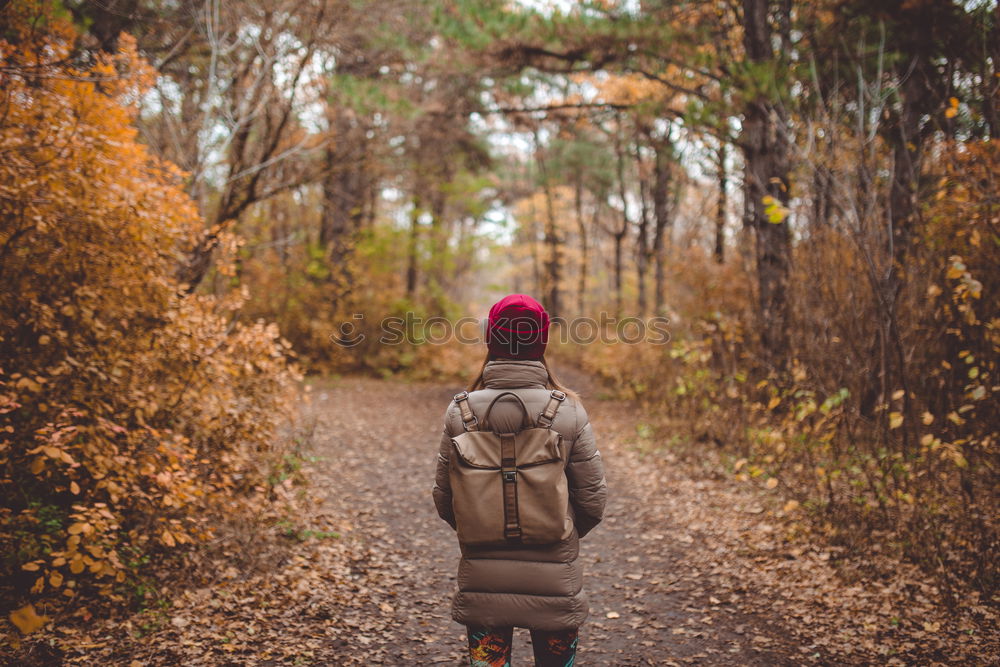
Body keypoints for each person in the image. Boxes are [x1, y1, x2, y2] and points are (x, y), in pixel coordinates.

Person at [433, 294, 608, 667]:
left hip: (483, 576)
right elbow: (592, 501)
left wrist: (483, 526)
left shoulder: (460, 412)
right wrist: (557, 530)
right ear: (541, 342)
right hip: (555, 579)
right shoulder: (569, 411)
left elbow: (445, 499)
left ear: (491, 341)